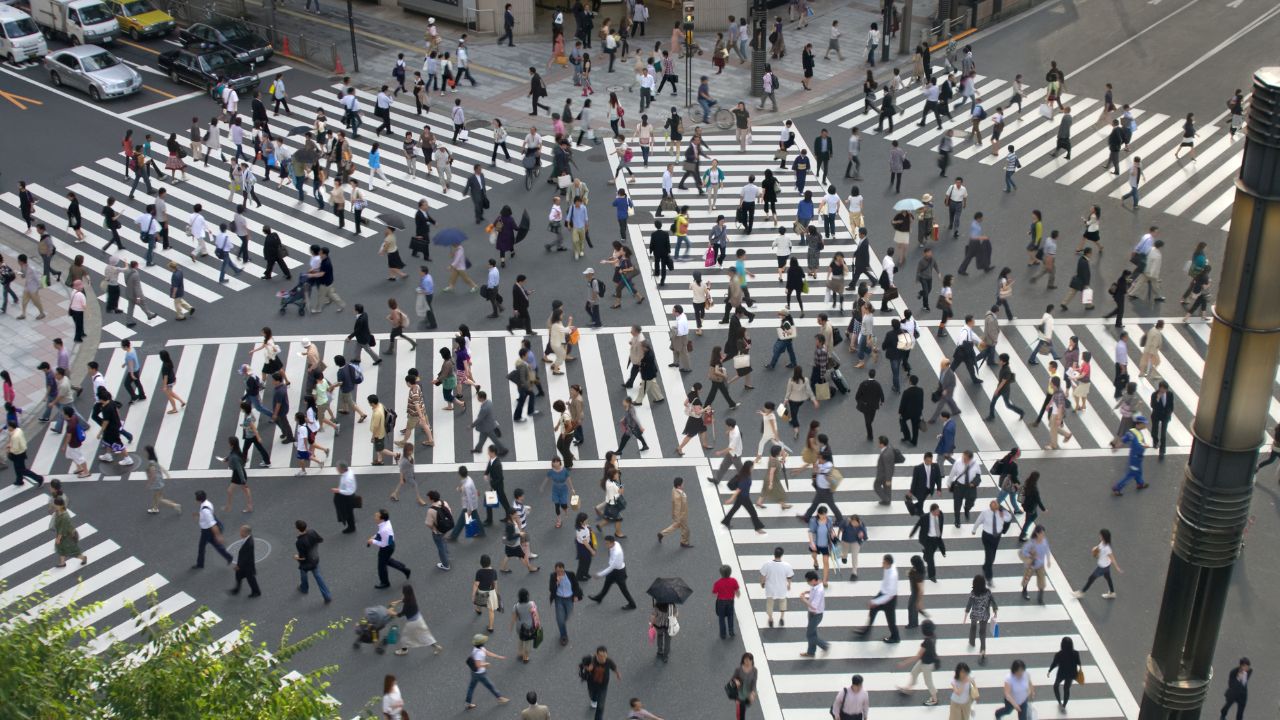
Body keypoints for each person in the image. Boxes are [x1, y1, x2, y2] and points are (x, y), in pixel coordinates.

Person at [853, 554, 900, 642]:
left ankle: (895, 637)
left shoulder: (892, 576)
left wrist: (876, 602)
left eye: (884, 562)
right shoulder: (889, 567)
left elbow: (889, 595)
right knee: (872, 611)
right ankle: (866, 630)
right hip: (883, 593)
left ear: (888, 564)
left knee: (891, 620)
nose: (882, 564)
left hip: (889, 600)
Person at [897, 619, 940, 705]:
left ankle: (934, 699)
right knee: (914, 672)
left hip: (927, 665)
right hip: (925, 661)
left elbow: (917, 656)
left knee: (928, 682)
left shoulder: (926, 642)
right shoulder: (933, 636)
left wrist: (904, 663)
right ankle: (908, 689)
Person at [589, 535, 637, 608]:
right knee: (607, 583)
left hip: (619, 572)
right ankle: (599, 597)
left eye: (607, 543)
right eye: (605, 543)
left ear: (612, 543)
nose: (606, 545)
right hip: (615, 570)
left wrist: (599, 575)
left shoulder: (616, 553)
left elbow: (611, 568)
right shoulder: (616, 544)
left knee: (624, 589)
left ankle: (632, 604)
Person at [465, 634, 510, 709]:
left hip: (474, 672)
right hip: (480, 674)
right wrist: (486, 664)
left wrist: (498, 656)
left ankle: (468, 703)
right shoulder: (479, 653)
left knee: (471, 687)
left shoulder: (477, 648)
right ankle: (500, 698)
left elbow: (487, 652)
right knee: (490, 686)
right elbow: (478, 665)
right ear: (481, 643)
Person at [368, 508, 410, 589]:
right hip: (390, 545)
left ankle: (385, 583)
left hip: (386, 548)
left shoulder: (384, 529)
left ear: (382, 519)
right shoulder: (385, 523)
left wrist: (373, 541)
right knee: (387, 560)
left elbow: (384, 543)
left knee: (381, 566)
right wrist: (374, 537)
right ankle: (404, 569)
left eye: (377, 516)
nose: (375, 516)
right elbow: (381, 535)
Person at [192, 490, 232, 569]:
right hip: (208, 531)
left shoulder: (205, 510)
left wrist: (218, 536)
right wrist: (199, 514)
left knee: (201, 547)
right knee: (216, 545)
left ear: (198, 500)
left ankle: (200, 564)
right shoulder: (207, 503)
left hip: (207, 531)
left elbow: (212, 524)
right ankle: (228, 557)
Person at [963, 574, 997, 664]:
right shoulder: (988, 592)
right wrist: (995, 610)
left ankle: (972, 641)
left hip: (975, 614)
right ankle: (982, 650)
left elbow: (969, 604)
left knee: (973, 627)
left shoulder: (973, 593)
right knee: (982, 632)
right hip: (984, 615)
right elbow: (993, 602)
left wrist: (966, 613)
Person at [1112, 415, 1150, 495]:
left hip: (1138, 456)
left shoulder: (1134, 432)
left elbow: (1124, 440)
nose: (1145, 425)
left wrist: (1117, 447)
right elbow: (1125, 441)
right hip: (1135, 457)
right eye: (1144, 424)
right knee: (1132, 473)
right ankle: (1117, 487)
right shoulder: (1133, 433)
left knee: (1138, 471)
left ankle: (1140, 483)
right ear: (1138, 424)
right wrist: (1116, 447)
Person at [582, 646, 621, 720]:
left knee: (601, 706)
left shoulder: (608, 661)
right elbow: (586, 668)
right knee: (592, 694)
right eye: (601, 656)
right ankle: (593, 700)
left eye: (604, 656)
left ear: (606, 655)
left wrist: (617, 674)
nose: (603, 658)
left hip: (603, 686)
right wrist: (588, 669)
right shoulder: (593, 660)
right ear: (596, 655)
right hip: (592, 684)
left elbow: (614, 667)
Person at [798, 571, 828, 657]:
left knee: (809, 634)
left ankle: (825, 645)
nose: (808, 583)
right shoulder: (816, 585)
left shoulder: (819, 591)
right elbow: (812, 590)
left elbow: (814, 606)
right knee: (812, 633)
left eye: (809, 581)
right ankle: (811, 652)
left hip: (816, 615)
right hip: (812, 613)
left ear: (814, 580)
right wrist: (807, 592)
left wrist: (803, 599)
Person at [228, 525, 260, 597]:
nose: (240, 533)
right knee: (238, 576)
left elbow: (246, 557)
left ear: (246, 533)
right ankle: (236, 589)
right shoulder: (248, 538)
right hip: (244, 564)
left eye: (241, 531)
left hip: (247, 566)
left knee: (251, 579)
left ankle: (256, 592)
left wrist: (238, 565)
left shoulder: (249, 544)